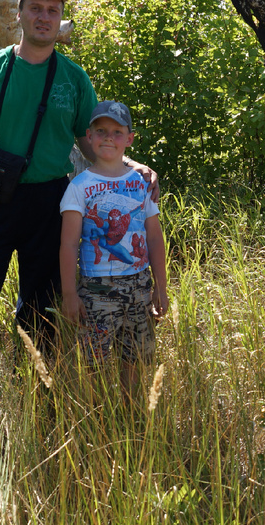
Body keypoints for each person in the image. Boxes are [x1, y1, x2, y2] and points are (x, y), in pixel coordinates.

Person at [0, 0, 155, 422]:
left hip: (52, 204)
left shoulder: (72, 77)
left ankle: (39, 409)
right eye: (36, 8)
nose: (44, 17)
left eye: (52, 9)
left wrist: (132, 168)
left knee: (43, 311)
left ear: (58, 19)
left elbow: (93, 144)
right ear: (20, 15)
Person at [59, 100, 168, 402]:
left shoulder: (140, 183)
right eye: (101, 131)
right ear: (89, 137)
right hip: (96, 290)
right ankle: (99, 418)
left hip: (139, 285)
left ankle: (130, 415)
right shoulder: (79, 187)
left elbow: (154, 236)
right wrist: (70, 294)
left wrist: (160, 285)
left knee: (134, 360)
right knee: (95, 362)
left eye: (117, 132)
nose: (109, 137)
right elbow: (68, 244)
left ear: (130, 139)